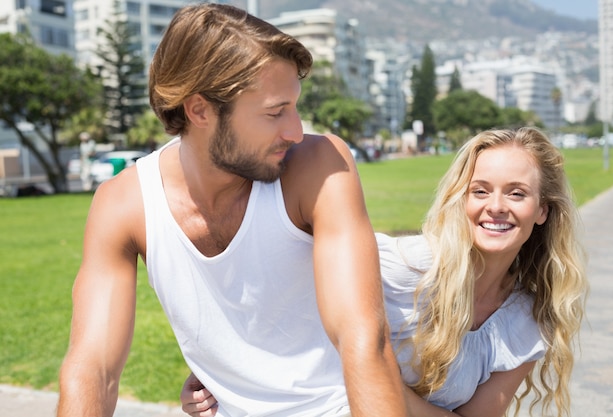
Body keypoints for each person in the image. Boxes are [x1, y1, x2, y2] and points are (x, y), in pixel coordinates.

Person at [56, 4, 406, 417]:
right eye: (275, 112)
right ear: (200, 110)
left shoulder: (317, 166)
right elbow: (92, 369)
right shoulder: (123, 206)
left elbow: (363, 339)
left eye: (294, 107)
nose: (295, 131)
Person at [181, 127, 588, 417]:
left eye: (516, 193)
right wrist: (219, 371)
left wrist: (376, 381)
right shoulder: (403, 265)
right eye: (480, 190)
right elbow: (278, 276)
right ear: (459, 200)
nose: (496, 206)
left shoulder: (525, 322)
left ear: (542, 210)